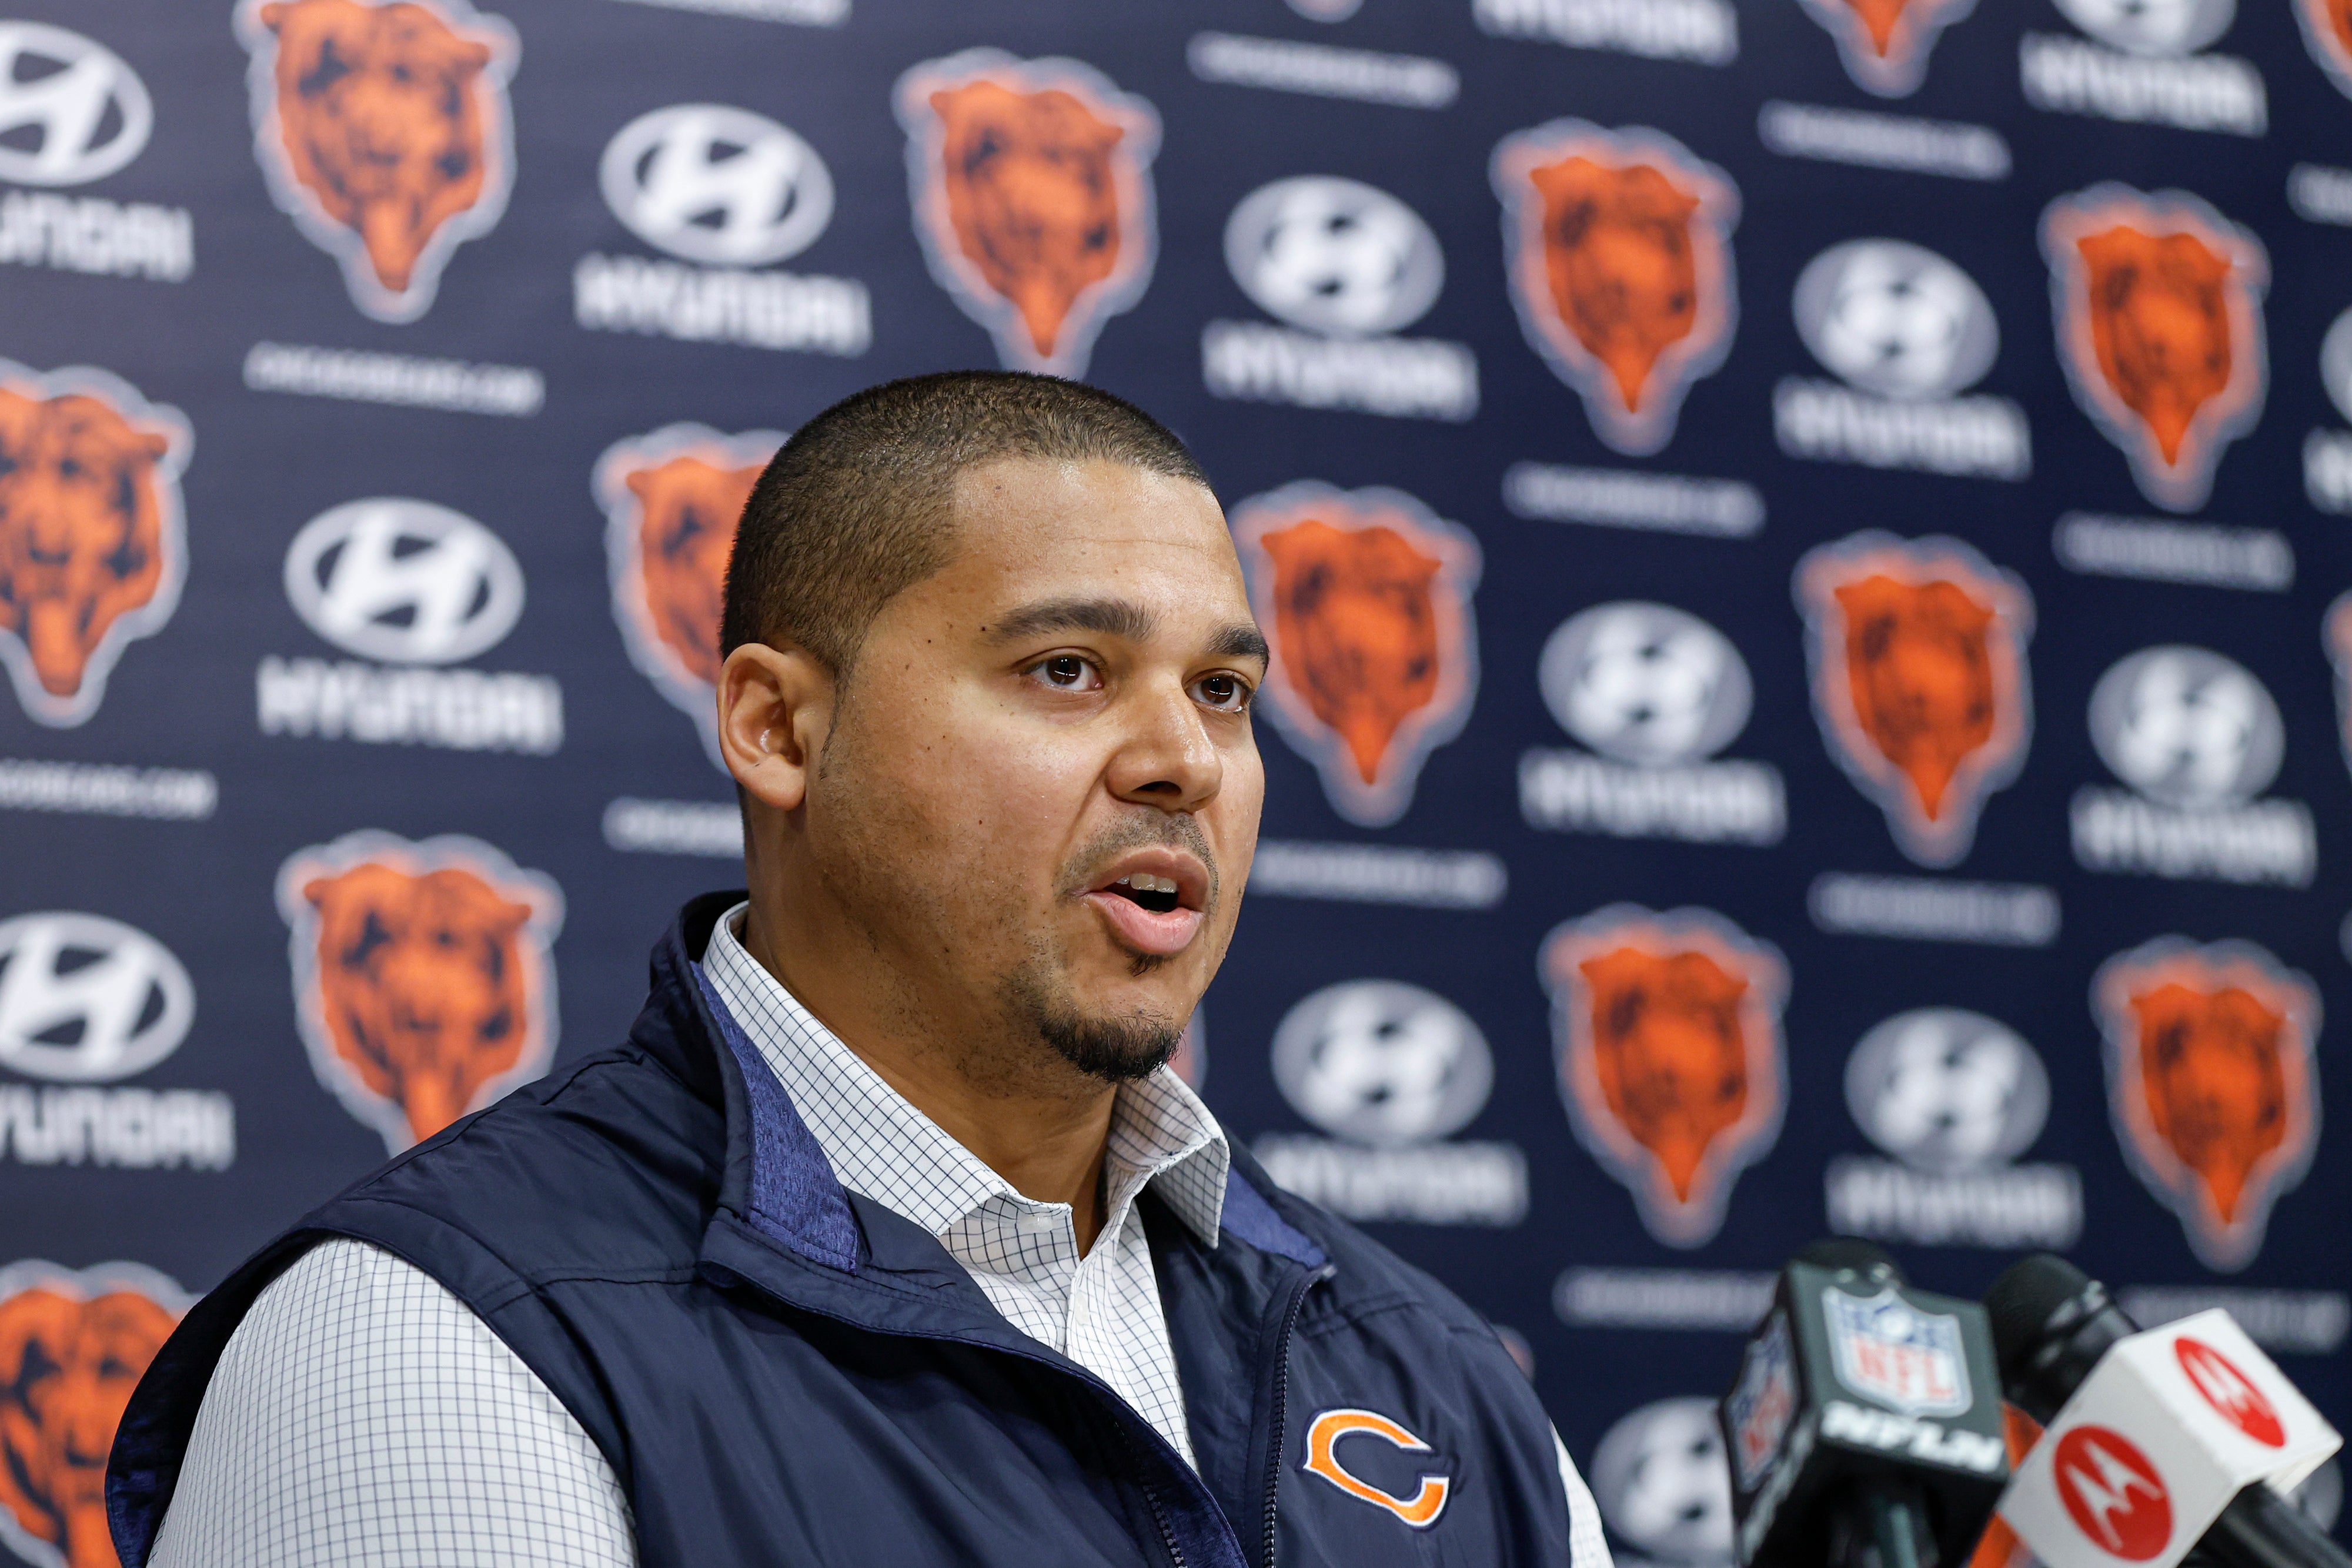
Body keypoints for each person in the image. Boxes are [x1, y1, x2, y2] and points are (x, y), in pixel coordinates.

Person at [109, 373, 1610, 1568]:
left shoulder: (1430, 1374)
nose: (1180, 762)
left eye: (1221, 690)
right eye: (1066, 668)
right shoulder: (443, 1340)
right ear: (776, 729)